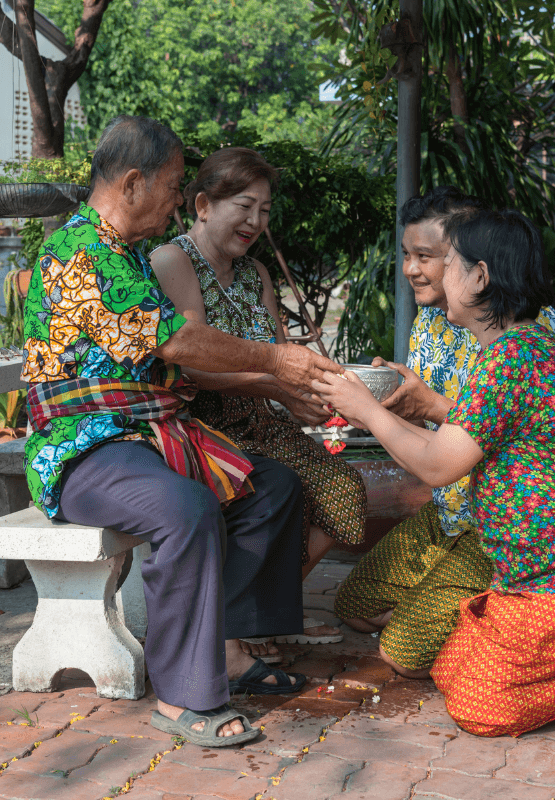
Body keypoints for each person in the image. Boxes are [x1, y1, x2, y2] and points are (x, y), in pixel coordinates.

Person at [313, 207, 555, 737]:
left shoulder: (512, 357)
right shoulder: (512, 350)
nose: (430, 274)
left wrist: (367, 410)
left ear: (480, 276)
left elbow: (439, 466)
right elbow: (449, 446)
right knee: (451, 668)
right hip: (538, 576)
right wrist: (382, 411)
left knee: (480, 708)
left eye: (446, 263)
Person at [21, 116, 342, 747]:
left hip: (149, 435)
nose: (175, 203)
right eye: (172, 187)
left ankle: (227, 648)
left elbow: (175, 354)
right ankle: (184, 695)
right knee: (185, 509)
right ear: (135, 183)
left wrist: (277, 375)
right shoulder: (81, 250)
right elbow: (177, 341)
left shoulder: (128, 254)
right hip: (84, 447)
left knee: (272, 487)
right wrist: (276, 362)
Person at [332, 186, 555, 679]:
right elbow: (439, 433)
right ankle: (448, 613)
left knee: (402, 656)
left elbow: (482, 434)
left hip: (499, 525)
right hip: (447, 508)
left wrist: (400, 412)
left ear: (476, 264)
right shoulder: (432, 321)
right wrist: (388, 404)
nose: (411, 269)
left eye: (430, 256)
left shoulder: (526, 333)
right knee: (353, 607)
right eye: (406, 255)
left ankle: (489, 621)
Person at [150, 147, 367, 645]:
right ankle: (239, 630)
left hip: (263, 424)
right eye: (244, 206)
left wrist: (332, 390)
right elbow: (190, 363)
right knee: (282, 491)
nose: (255, 221)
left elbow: (281, 352)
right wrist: (274, 384)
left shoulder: (256, 273)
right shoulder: (173, 260)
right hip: (201, 427)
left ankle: (259, 617)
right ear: (203, 204)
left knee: (344, 495)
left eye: (264, 211)